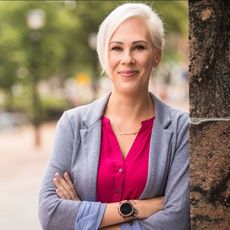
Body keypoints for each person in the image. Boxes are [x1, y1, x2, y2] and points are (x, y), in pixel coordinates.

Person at [38, 3, 190, 230]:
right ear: (104, 57)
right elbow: (50, 214)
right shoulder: (73, 123)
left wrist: (85, 219)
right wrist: (135, 208)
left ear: (156, 56)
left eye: (139, 47)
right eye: (117, 48)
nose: (127, 59)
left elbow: (176, 220)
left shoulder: (180, 129)